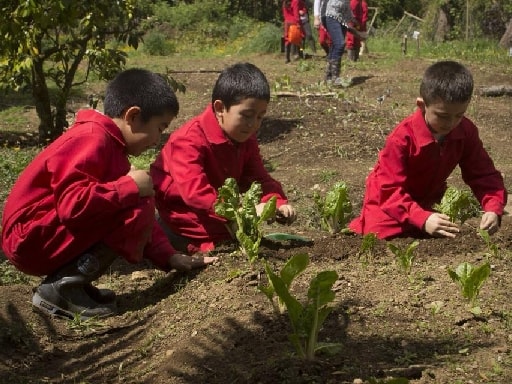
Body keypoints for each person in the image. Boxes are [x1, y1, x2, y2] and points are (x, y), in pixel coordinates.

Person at [1, 68, 217, 319]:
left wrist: (169, 256)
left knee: (135, 200)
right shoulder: (92, 140)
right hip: (29, 239)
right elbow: (72, 204)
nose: (159, 138)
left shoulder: (110, 146)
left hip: (42, 233)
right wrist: (130, 187)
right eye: (160, 127)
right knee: (135, 202)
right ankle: (62, 289)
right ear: (133, 116)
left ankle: (73, 281)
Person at [349, 61, 507, 240]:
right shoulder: (402, 138)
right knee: (382, 240)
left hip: (426, 207)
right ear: (422, 105)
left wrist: (493, 208)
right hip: (387, 210)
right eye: (443, 116)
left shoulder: (465, 131)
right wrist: (422, 218)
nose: (451, 123)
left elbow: (483, 175)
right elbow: (389, 190)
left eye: (459, 115)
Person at [150, 62, 297, 254]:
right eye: (246, 115)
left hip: (219, 215)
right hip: (183, 219)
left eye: (260, 117)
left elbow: (259, 177)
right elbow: (196, 193)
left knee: (235, 242)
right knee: (221, 250)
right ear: (220, 108)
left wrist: (276, 202)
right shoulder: (188, 141)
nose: (253, 125)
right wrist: (241, 212)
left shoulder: (245, 138)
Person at [322, 0, 358, 85]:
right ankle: (335, 77)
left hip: (343, 19)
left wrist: (352, 19)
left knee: (335, 45)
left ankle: (328, 76)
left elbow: (347, 5)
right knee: (340, 44)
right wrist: (317, 17)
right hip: (331, 15)